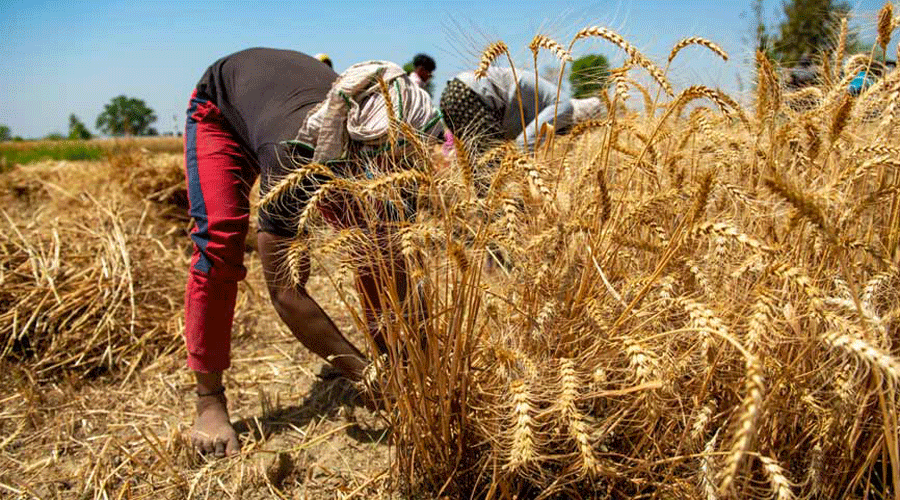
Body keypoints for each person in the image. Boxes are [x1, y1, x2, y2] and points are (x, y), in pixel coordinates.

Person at [183, 48, 441, 457]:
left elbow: (390, 261)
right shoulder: (299, 153)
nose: (391, 174)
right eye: (380, 167)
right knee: (221, 239)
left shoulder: (391, 148)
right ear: (353, 151)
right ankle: (209, 399)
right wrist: (366, 378)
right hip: (223, 110)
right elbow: (286, 292)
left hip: (284, 110)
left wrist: (414, 363)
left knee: (376, 242)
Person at [439, 66, 603, 154]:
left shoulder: (552, 104)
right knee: (490, 168)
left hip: (456, 94)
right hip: (469, 95)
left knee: (481, 167)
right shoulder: (563, 108)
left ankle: (485, 215)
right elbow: (524, 144)